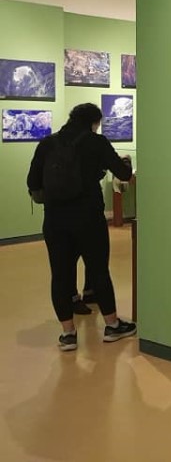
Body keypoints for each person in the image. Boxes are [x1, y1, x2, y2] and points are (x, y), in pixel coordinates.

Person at [27, 103, 137, 351]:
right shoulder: (96, 142)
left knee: (60, 275)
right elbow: (123, 174)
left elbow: (33, 182)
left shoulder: (47, 143)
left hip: (55, 220)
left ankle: (68, 333)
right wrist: (125, 162)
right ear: (94, 122)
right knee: (99, 270)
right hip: (88, 218)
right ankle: (112, 325)